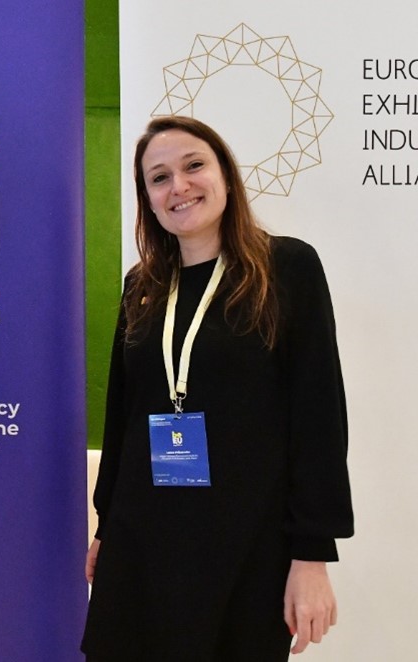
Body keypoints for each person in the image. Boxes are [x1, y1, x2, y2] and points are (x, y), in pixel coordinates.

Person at [82, 116, 353, 661]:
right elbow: (125, 416)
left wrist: (311, 556)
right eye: (158, 178)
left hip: (246, 543)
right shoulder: (143, 287)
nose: (178, 186)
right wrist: (107, 525)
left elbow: (318, 415)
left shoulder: (287, 268)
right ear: (149, 200)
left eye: (193, 165)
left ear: (226, 176)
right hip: (144, 538)